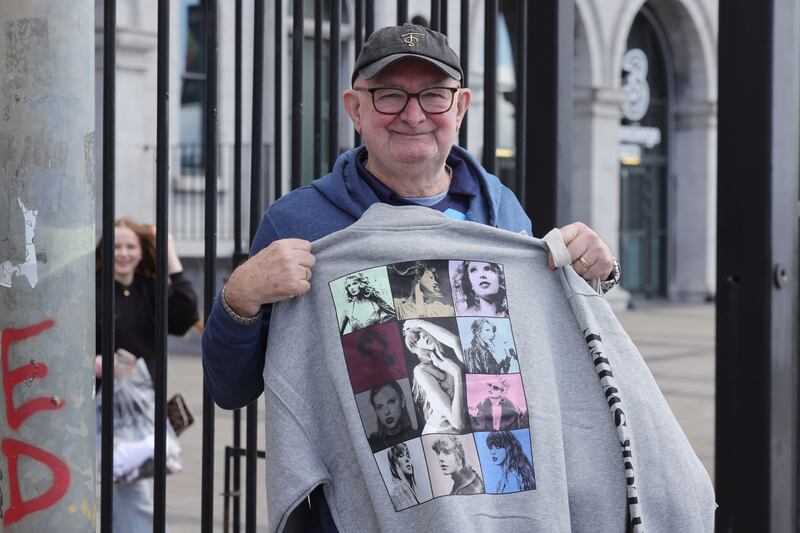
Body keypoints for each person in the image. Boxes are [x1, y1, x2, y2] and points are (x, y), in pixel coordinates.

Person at [202, 22, 618, 530]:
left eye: (434, 96)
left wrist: (594, 280)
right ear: (355, 108)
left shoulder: (503, 218)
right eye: (389, 95)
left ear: (461, 107)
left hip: (488, 515)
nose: (414, 114)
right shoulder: (299, 224)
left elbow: (542, 367)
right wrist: (238, 298)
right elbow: (230, 389)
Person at [95, 217, 199, 532]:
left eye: (130, 246)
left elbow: (185, 315)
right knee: (127, 488)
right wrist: (93, 362)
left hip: (139, 408)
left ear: (141, 252)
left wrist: (169, 253)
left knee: (125, 484)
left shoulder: (148, 290)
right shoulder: (92, 287)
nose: (123, 253)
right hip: (98, 402)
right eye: (116, 246)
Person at [402, 319, 466, 434]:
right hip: (438, 433)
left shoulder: (450, 355)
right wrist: (456, 373)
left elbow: (455, 341)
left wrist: (418, 323)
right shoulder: (422, 370)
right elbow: (458, 423)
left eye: (422, 331)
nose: (423, 336)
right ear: (416, 347)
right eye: (417, 338)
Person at [388, 261, 454, 318]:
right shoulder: (396, 306)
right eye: (431, 277)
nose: (436, 282)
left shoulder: (437, 309)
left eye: (436, 280)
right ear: (418, 276)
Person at [367, 381, 417, 450]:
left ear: (402, 401)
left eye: (391, 401)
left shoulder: (417, 436)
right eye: (379, 407)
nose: (387, 412)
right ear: (376, 411)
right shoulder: (371, 445)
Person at [386, 443, 420, 511]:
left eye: (408, 456)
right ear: (394, 463)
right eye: (401, 456)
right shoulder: (399, 490)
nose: (407, 459)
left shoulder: (405, 488)